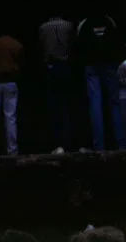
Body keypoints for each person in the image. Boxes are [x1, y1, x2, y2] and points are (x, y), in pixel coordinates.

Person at [76, 11, 126, 151]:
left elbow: (79, 47)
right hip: (109, 65)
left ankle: (99, 145)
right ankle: (121, 143)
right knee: (114, 104)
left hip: (91, 66)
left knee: (95, 103)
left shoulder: (85, 24)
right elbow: (118, 42)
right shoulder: (109, 21)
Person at [38, 14, 76, 154]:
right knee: (66, 105)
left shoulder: (43, 28)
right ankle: (67, 141)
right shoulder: (69, 26)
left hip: (51, 67)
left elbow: (42, 46)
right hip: (65, 66)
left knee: (54, 107)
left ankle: (57, 142)